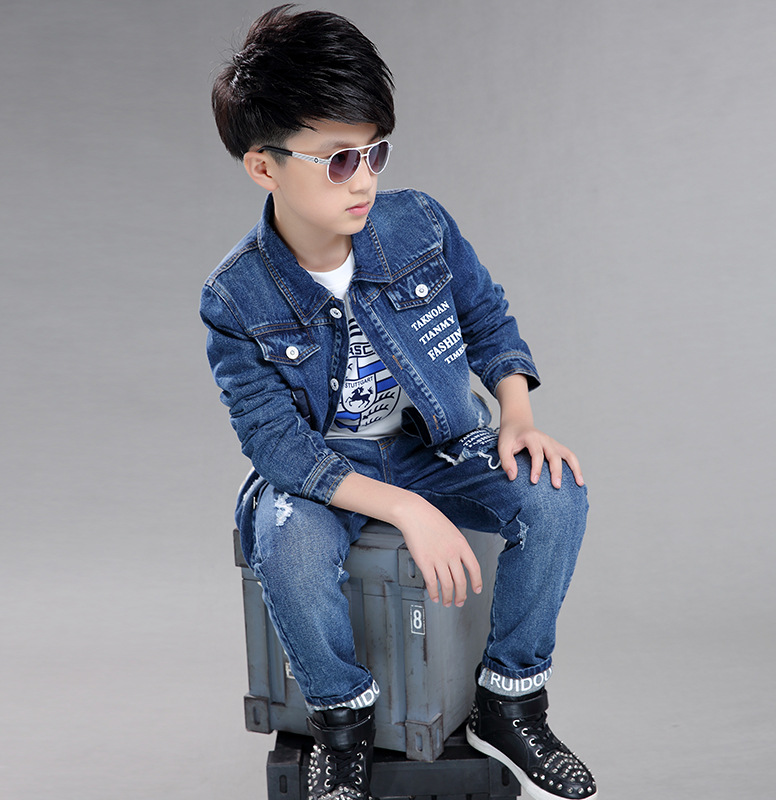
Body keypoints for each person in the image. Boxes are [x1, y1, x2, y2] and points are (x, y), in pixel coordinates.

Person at [201, 6, 597, 799]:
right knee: (285, 543)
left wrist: (516, 417)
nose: (365, 179)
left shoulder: (419, 225)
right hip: (327, 468)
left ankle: (511, 699)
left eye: (375, 151)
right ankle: (340, 724)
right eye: (338, 160)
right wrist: (408, 511)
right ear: (263, 167)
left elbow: (486, 318)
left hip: (434, 445)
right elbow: (276, 444)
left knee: (556, 496)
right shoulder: (235, 297)